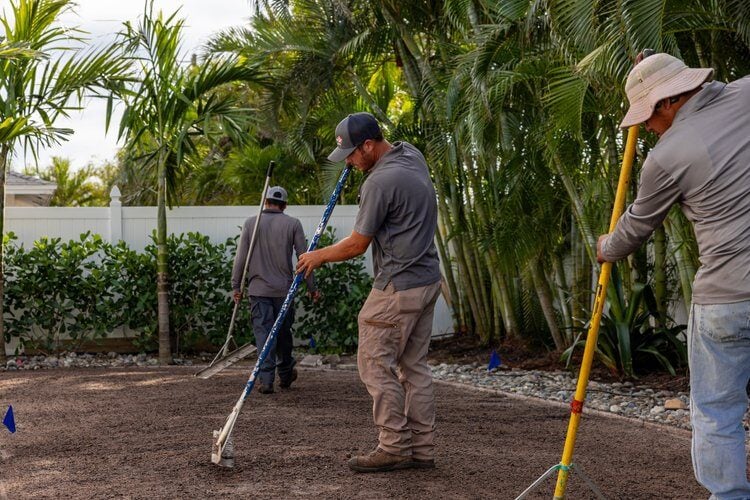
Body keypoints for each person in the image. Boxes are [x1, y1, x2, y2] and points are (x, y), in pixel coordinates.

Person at [596, 52, 750, 499]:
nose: (645, 127)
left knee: (717, 411)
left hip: (726, 300)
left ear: (668, 102)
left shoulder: (666, 156)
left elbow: (633, 231)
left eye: (647, 115)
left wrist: (605, 247)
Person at [296, 112, 442, 473]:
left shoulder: (379, 183)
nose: (347, 162)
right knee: (414, 366)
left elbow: (357, 245)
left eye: (351, 155)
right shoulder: (411, 155)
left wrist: (318, 256)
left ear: (369, 145)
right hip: (427, 280)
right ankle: (421, 449)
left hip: (398, 285)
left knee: (375, 362)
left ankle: (394, 446)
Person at [231, 186, 318, 395]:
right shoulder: (293, 224)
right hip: (284, 291)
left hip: (258, 290)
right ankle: (286, 373)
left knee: (263, 334)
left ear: (265, 201)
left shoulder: (251, 223)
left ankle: (266, 380)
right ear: (284, 205)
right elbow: (304, 258)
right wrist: (312, 287)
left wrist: (236, 286)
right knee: (283, 333)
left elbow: (240, 258)